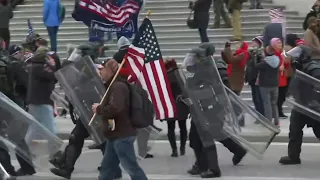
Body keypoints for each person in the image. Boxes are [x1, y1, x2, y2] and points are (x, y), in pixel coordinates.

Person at [49, 46, 122, 180]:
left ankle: (115, 170)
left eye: (79, 55)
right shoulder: (86, 69)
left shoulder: (94, 70)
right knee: (76, 138)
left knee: (103, 142)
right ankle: (67, 169)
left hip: (97, 111)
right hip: (88, 112)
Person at [186, 43, 247, 178]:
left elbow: (223, 90)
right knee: (209, 135)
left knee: (203, 137)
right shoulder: (201, 68)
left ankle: (209, 167)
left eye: (197, 56)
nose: (195, 59)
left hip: (213, 108)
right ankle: (238, 150)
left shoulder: (216, 67)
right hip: (201, 108)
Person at [93, 59, 148, 180]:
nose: (100, 72)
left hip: (122, 134)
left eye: (102, 69)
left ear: (109, 70)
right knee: (107, 168)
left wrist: (99, 109)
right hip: (115, 134)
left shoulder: (118, 86)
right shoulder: (114, 85)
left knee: (131, 167)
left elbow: (115, 108)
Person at [279, 43, 320, 165]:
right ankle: (293, 156)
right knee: (295, 129)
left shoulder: (313, 68)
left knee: (319, 131)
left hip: (313, 105)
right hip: (301, 104)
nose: (293, 58)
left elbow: (317, 85)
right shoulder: (300, 67)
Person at [164, 58, 188, 157]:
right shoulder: (180, 73)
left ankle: (174, 150)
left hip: (170, 105)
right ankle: (182, 147)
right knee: (183, 127)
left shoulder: (166, 76)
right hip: (181, 104)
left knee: (171, 128)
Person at [222, 41, 249, 126]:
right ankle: (237, 120)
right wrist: (226, 48)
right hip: (233, 80)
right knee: (233, 101)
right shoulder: (239, 54)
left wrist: (228, 48)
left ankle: (240, 120)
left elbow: (231, 59)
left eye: (238, 44)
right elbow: (227, 60)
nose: (236, 46)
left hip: (236, 81)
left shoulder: (243, 54)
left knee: (235, 102)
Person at [255, 38, 281, 126]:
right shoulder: (278, 60)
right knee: (274, 103)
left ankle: (269, 122)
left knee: (267, 104)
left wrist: (260, 57)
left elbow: (255, 66)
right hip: (275, 84)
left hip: (265, 85)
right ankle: (277, 121)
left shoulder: (264, 63)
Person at [246, 36, 264, 116]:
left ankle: (262, 114)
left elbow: (258, 65)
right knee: (255, 98)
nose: (252, 43)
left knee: (259, 98)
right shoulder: (251, 53)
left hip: (258, 78)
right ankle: (258, 114)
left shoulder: (261, 53)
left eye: (255, 42)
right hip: (252, 78)